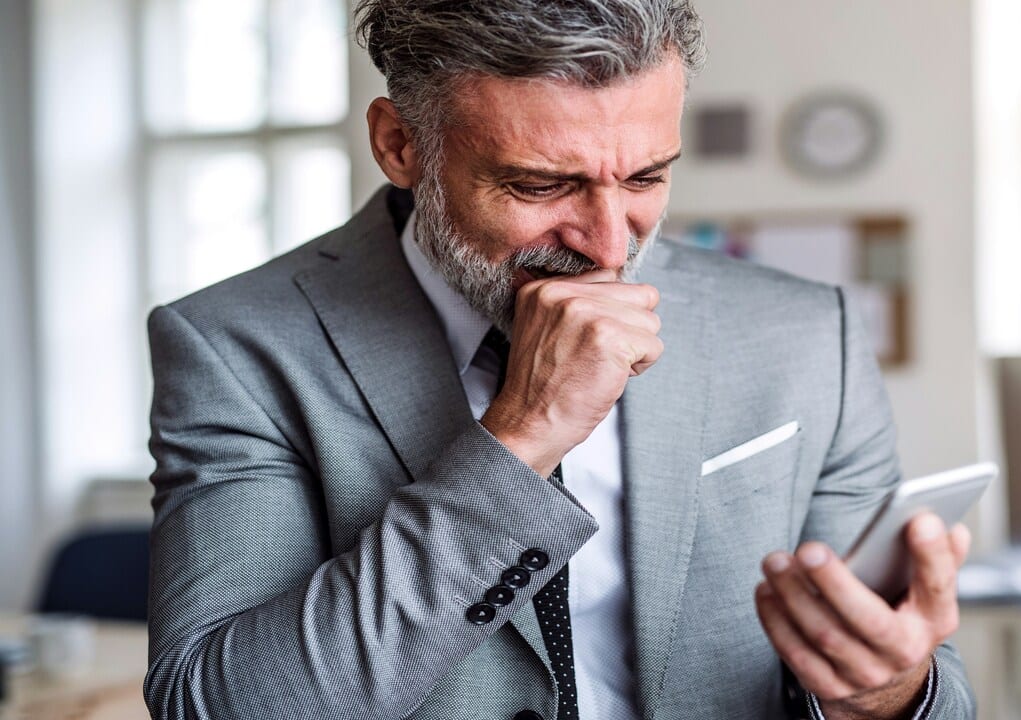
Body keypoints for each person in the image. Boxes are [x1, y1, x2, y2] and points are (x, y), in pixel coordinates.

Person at [144, 2, 976, 719]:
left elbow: (911, 688)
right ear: (400, 145)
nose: (611, 245)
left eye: (647, 176)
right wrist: (523, 435)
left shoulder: (804, 335)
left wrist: (885, 691)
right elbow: (215, 704)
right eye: (540, 187)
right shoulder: (235, 346)